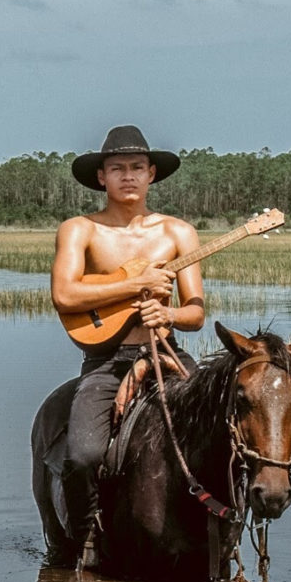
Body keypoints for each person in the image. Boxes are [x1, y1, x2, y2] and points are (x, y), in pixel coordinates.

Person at [47, 126, 207, 538]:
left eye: (137, 167)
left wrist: (168, 316)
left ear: (152, 173)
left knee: (225, 432)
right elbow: (65, 295)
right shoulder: (80, 229)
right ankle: (85, 538)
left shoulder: (178, 233)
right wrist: (136, 286)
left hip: (165, 356)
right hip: (106, 361)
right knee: (82, 456)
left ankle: (222, 534)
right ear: (101, 177)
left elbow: (196, 312)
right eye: (117, 168)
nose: (128, 176)